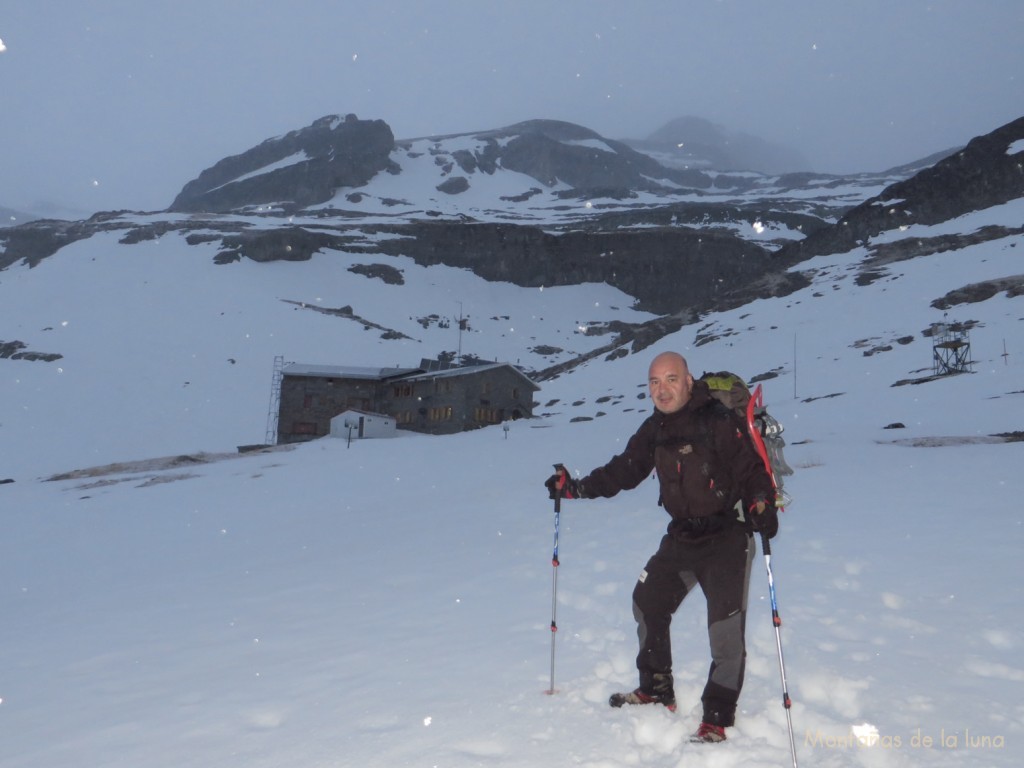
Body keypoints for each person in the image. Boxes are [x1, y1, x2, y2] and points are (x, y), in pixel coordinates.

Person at [545, 351, 778, 744]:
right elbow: (624, 470)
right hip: (683, 536)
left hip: (727, 537)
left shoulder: (718, 421)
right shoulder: (655, 428)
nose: (662, 389)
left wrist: (762, 503)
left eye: (671, 379)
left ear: (688, 381)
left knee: (724, 630)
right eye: (654, 382)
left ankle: (717, 716)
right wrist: (575, 488)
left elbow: (751, 470)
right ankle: (656, 688)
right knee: (648, 600)